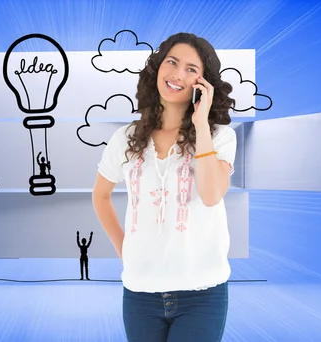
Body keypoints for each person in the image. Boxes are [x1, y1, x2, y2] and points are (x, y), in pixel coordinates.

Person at [92, 32, 237, 342]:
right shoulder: (125, 138)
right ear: (156, 68)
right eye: (171, 62)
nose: (177, 74)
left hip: (202, 293)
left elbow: (211, 195)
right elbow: (100, 196)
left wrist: (200, 124)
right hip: (140, 293)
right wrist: (125, 251)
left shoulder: (219, 137)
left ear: (204, 83)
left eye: (190, 69)